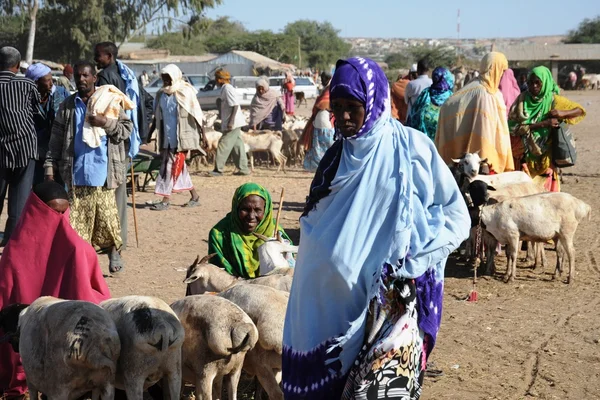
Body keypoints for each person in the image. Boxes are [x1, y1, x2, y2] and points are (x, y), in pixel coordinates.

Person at [282, 57, 470, 400]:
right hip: (326, 306)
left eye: (353, 107)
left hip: (387, 302)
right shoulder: (335, 159)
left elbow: (457, 216)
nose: (344, 118)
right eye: (337, 108)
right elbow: (315, 225)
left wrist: (412, 264)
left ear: (375, 101)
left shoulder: (411, 148)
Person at [0, 181, 111, 399]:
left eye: (63, 212)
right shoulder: (14, 253)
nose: (59, 218)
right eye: (52, 212)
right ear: (36, 210)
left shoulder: (80, 249)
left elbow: (96, 300)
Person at [45, 61, 133, 273]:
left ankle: (114, 253)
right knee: (78, 223)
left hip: (104, 173)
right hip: (76, 174)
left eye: (86, 75)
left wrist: (105, 122)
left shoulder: (109, 102)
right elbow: (56, 139)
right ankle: (82, 264)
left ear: (95, 77)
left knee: (108, 219)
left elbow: (126, 130)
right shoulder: (68, 105)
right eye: (78, 76)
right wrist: (50, 167)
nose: (82, 79)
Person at [94, 41, 154, 252]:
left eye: (98, 56)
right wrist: (139, 130)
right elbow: (148, 101)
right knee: (119, 191)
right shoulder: (128, 74)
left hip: (111, 139)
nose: (95, 59)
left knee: (111, 191)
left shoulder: (104, 78)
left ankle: (114, 241)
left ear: (109, 56)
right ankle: (119, 240)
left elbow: (101, 112)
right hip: (127, 139)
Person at [508, 66, 586, 192]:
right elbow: (512, 127)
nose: (534, 86)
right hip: (523, 158)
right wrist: (543, 124)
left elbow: (580, 111)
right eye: (530, 83)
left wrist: (561, 113)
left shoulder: (553, 100)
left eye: (537, 83)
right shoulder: (521, 100)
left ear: (545, 82)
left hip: (546, 159)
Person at [436, 52, 514, 173]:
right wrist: (485, 163)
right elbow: (484, 134)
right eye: (502, 71)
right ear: (494, 69)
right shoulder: (484, 94)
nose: (503, 76)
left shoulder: (487, 90)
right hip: (480, 165)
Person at [208, 183, 292, 278]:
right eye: (245, 209)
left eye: (258, 210)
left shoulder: (276, 233)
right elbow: (218, 277)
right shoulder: (220, 234)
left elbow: (290, 268)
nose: (251, 216)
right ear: (236, 208)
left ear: (266, 210)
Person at [0, 47, 39, 246]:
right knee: (18, 203)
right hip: (25, 150)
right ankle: (10, 245)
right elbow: (38, 113)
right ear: (17, 64)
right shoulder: (27, 83)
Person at [151, 64, 203, 211]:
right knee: (180, 168)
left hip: (181, 139)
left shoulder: (185, 92)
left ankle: (165, 200)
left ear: (175, 77)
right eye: (164, 78)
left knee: (170, 167)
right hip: (166, 138)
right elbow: (157, 115)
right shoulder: (161, 94)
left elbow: (197, 114)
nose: (165, 81)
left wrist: (202, 135)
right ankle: (195, 196)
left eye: (168, 78)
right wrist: (150, 134)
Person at [25, 63, 70, 185]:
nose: (51, 83)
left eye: (52, 79)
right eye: (47, 80)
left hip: (59, 150)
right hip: (36, 152)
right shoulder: (27, 98)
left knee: (60, 188)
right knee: (39, 187)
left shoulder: (61, 93)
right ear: (36, 82)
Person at [212, 69, 249, 176]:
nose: (215, 81)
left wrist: (231, 122)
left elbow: (235, 105)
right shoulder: (225, 88)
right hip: (233, 122)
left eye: (216, 79)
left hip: (233, 123)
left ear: (220, 79)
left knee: (223, 144)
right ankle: (243, 169)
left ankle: (218, 169)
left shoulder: (227, 88)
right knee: (237, 146)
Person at [406, 67, 454, 141]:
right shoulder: (453, 98)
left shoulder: (425, 94)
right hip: (444, 144)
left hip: (423, 143)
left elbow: (413, 116)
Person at [301, 72, 335, 172]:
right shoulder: (328, 89)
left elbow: (322, 104)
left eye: (325, 78)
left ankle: (325, 167)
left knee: (325, 146)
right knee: (323, 146)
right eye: (322, 78)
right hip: (322, 121)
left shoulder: (330, 90)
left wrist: (322, 106)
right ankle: (324, 168)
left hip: (325, 120)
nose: (323, 80)